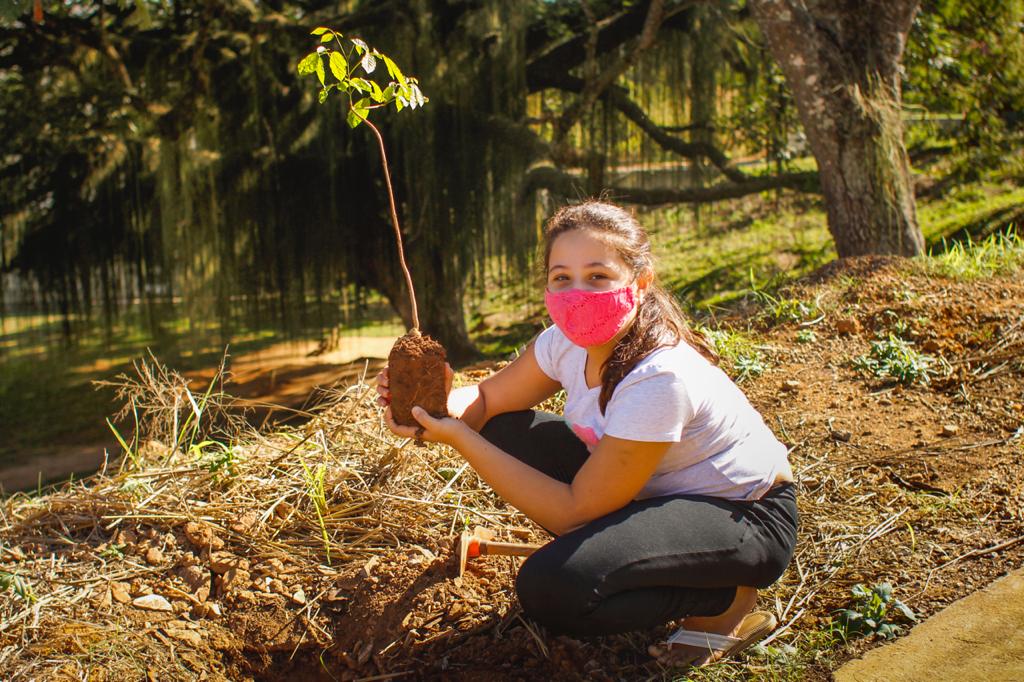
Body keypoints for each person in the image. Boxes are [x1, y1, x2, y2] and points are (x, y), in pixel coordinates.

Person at [376, 200, 797, 669]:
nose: (577, 292)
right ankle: (636, 561)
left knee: (553, 588)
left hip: (742, 516)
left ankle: (723, 598)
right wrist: (431, 404)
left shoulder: (659, 376)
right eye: (562, 277)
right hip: (652, 495)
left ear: (640, 282)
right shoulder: (565, 342)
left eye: (597, 276)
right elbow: (490, 401)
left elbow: (575, 509)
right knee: (504, 429)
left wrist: (460, 439)